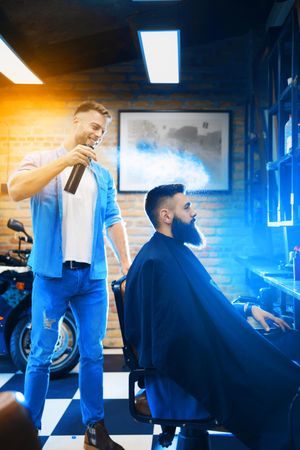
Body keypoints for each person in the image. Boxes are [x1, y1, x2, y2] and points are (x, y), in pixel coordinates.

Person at [124, 184, 300, 450]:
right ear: (166, 216)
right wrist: (232, 343)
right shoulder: (157, 262)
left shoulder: (171, 251)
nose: (194, 213)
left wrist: (247, 310)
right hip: (180, 373)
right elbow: (170, 341)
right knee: (282, 374)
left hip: (198, 353)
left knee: (286, 341)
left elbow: (202, 306)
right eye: (186, 207)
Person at [8, 101, 131, 450]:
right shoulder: (43, 159)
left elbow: (113, 220)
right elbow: (17, 189)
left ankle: (94, 430)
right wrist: (66, 160)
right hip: (52, 277)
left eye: (102, 132)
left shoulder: (101, 175)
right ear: (76, 121)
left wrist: (127, 263)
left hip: (91, 280)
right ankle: (28, 432)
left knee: (93, 353)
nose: (97, 135)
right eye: (92, 126)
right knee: (41, 355)